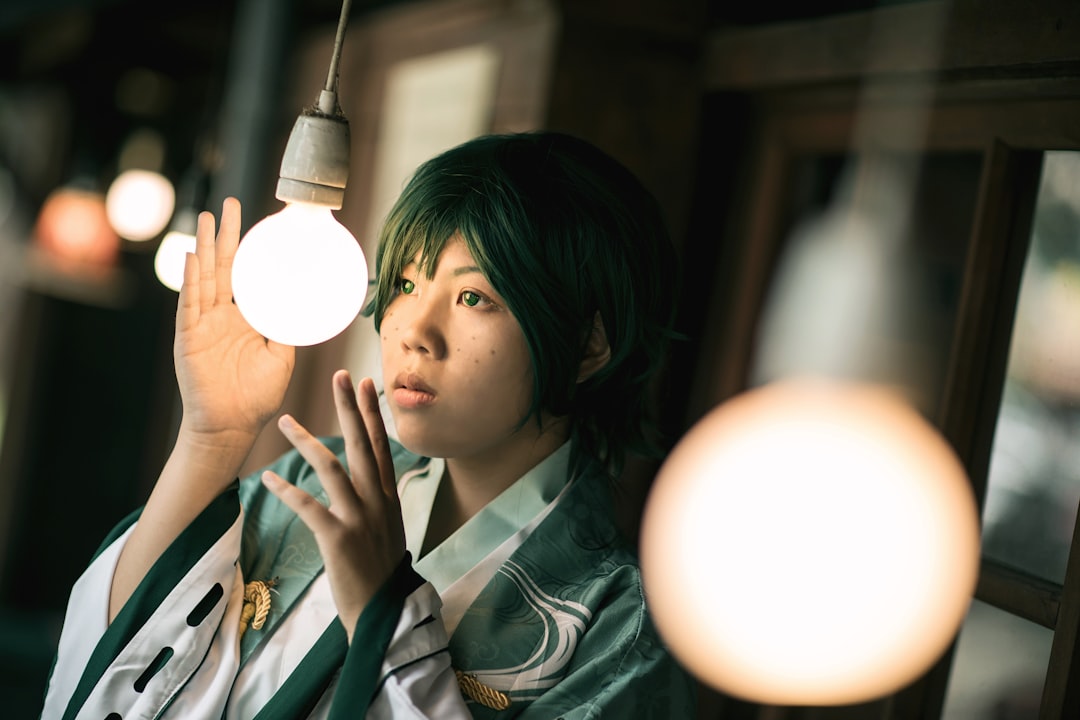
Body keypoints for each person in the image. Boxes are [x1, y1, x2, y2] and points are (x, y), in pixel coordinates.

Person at [41, 131, 697, 718]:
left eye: (474, 297)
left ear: (586, 345)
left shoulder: (618, 628)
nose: (413, 330)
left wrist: (385, 616)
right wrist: (212, 438)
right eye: (407, 284)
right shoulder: (311, 481)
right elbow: (110, 670)